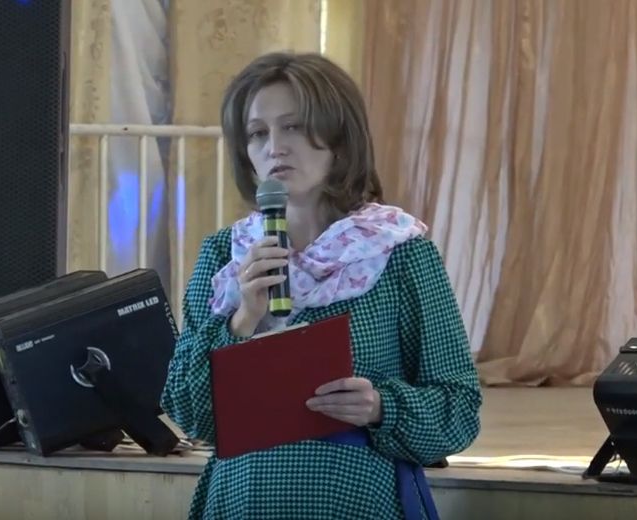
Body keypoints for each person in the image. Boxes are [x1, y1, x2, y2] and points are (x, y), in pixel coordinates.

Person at [161, 51, 482, 520]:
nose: (275, 147)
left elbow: (458, 409)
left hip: (356, 502)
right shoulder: (224, 256)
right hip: (240, 501)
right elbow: (188, 411)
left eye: (293, 126)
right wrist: (243, 318)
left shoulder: (399, 252)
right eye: (257, 133)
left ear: (340, 140)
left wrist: (381, 407)